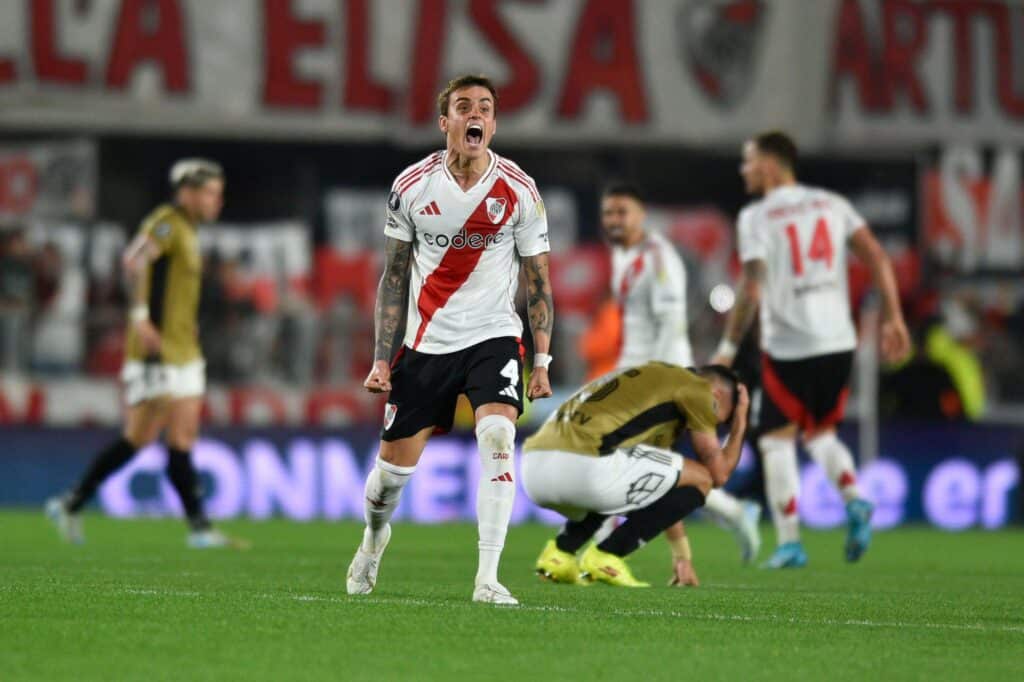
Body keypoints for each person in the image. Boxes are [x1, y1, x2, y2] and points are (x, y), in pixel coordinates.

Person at [345, 74, 554, 605]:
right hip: (427, 341)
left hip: (494, 336)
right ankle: (373, 538)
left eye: (484, 106)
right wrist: (380, 360)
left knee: (498, 440)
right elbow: (394, 277)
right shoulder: (412, 187)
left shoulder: (520, 190)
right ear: (446, 123)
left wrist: (544, 360)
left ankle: (487, 577)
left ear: (493, 122)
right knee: (387, 482)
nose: (474, 115)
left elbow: (538, 281)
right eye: (463, 107)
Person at [711, 131, 911, 568]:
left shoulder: (757, 217)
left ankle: (789, 542)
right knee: (821, 432)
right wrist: (895, 317)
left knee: (777, 441)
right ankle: (855, 498)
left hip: (788, 343)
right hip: (840, 340)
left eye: (748, 162)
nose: (744, 171)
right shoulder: (831, 204)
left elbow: (753, 284)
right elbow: (877, 256)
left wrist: (728, 346)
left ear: (768, 164)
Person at [46, 159, 240, 549]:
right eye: (211, 193)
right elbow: (134, 261)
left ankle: (199, 529)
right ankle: (72, 502)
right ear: (188, 192)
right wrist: (139, 318)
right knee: (142, 436)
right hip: (158, 352)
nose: (217, 201)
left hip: (185, 350)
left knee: (180, 437)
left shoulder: (189, 231)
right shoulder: (166, 222)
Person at [596, 183, 762, 564]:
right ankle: (733, 514)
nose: (614, 221)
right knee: (644, 467)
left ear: (641, 216)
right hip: (637, 372)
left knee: (623, 459)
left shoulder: (658, 258)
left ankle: (603, 545)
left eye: (623, 213)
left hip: (661, 374)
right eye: (609, 213)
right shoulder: (625, 257)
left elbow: (670, 324)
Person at [525, 363, 749, 587]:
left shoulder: (651, 382)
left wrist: (682, 557)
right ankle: (608, 554)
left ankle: (560, 554)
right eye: (718, 419)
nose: (712, 424)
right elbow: (718, 475)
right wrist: (740, 421)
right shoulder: (698, 388)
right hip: (584, 466)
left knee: (625, 473)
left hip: (533, 467)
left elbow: (660, 486)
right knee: (703, 477)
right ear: (716, 395)